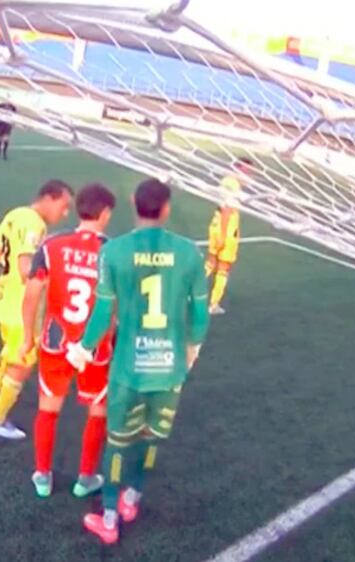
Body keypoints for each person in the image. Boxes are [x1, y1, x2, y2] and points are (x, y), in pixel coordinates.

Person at [67, 178, 210, 545]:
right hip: (169, 369)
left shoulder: (114, 252)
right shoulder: (190, 252)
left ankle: (111, 518)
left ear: (133, 203)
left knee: (118, 443)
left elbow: (102, 314)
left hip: (129, 369)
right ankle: (133, 498)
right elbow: (200, 312)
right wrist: (192, 349)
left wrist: (83, 349)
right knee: (151, 438)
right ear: (166, 208)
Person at [21, 183, 117, 498]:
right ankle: (85, 478)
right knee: (98, 411)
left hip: (55, 341)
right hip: (95, 346)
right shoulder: (112, 251)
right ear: (104, 214)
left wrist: (27, 337)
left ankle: (43, 476)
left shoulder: (52, 245)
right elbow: (118, 306)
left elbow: (32, 294)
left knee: (48, 408)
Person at [0, 180, 73, 440]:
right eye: (63, 206)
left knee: (10, 348)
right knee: (22, 361)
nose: (64, 213)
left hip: (3, 298)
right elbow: (26, 271)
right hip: (21, 307)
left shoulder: (15, 214)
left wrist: (9, 271)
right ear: (48, 198)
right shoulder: (34, 225)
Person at [206, 157, 253, 315]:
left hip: (216, 223)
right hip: (227, 228)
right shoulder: (233, 185)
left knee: (210, 262)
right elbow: (227, 209)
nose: (249, 175)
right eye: (247, 171)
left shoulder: (227, 180)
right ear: (239, 169)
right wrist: (223, 235)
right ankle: (213, 305)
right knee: (223, 268)